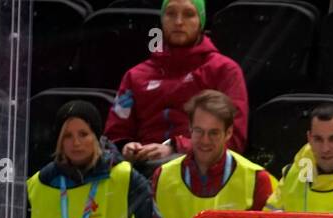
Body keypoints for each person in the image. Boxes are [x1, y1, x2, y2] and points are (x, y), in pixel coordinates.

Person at [104, 0, 249, 170]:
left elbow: (234, 139)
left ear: (201, 22)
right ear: (162, 20)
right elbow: (114, 135)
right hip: (139, 170)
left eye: (188, 14)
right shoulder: (135, 76)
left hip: (199, 168)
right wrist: (125, 147)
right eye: (171, 14)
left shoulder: (224, 71)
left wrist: (175, 146)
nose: (179, 22)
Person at [150, 90, 276, 218]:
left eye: (214, 133)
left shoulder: (257, 179)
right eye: (199, 131)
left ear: (229, 132)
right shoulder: (163, 175)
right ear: (189, 129)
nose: (205, 140)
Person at [27, 100, 155, 218]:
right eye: (67, 136)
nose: (76, 142)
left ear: (96, 137)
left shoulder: (126, 178)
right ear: (60, 141)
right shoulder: (38, 183)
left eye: (83, 134)